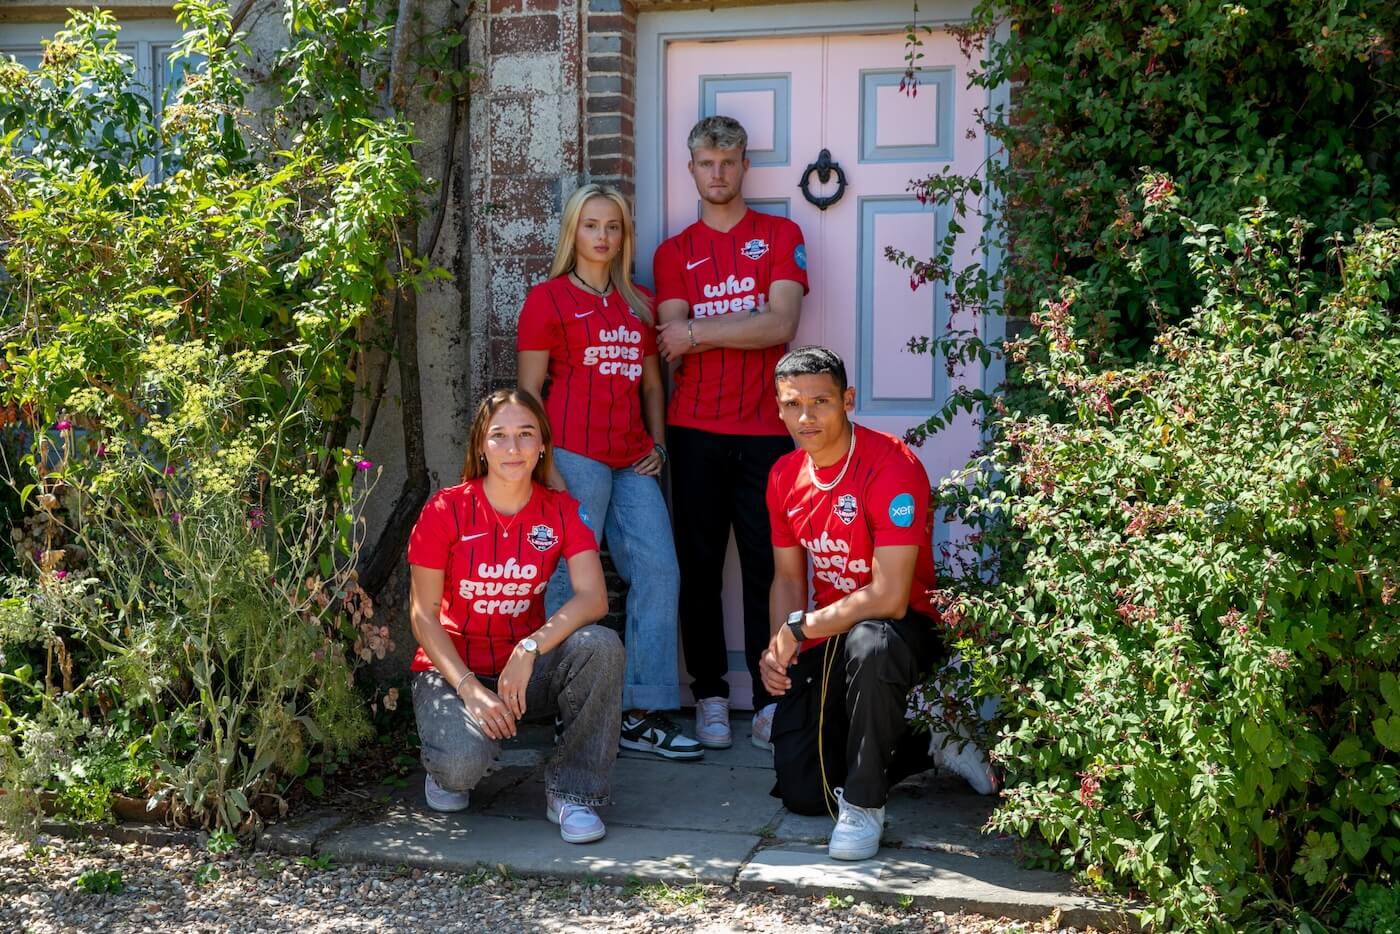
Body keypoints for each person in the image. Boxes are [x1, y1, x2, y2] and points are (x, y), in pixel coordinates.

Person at [759, 346, 994, 861]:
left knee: (872, 641)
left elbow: (888, 597)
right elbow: (787, 577)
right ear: (778, 408)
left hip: (906, 628)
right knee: (804, 793)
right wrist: (780, 647)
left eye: (820, 401)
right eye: (792, 403)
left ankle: (865, 806)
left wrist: (800, 629)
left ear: (847, 400)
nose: (806, 416)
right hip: (829, 630)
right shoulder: (782, 476)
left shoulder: (892, 465)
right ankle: (930, 742)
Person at [517, 184, 703, 761]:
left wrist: (660, 447)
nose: (602, 236)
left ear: (623, 237)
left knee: (659, 570)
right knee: (569, 580)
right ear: (574, 232)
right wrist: (542, 462)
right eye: (592, 225)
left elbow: (653, 384)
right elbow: (528, 390)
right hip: (573, 453)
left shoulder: (639, 303)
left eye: (613, 227)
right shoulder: (547, 299)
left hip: (631, 459)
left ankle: (641, 713)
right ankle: (563, 706)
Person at [652, 115, 809, 750]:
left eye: (728, 162)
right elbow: (668, 337)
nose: (718, 174)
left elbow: (781, 325)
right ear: (691, 169)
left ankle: (772, 696)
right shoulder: (672, 251)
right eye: (706, 163)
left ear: (744, 167)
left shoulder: (780, 233)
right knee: (698, 565)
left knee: (770, 564)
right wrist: (701, 332)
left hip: (769, 430)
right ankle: (712, 695)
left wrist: (698, 331)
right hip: (694, 430)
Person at [406, 388, 624, 844]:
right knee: (460, 773)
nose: (512, 448)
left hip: (522, 673)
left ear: (543, 444)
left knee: (600, 646)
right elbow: (423, 616)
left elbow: (593, 598)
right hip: (452, 672)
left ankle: (573, 792)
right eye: (499, 436)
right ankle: (452, 757)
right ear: (480, 446)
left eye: (525, 435)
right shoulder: (445, 509)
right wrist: (467, 688)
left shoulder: (560, 509)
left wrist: (530, 647)